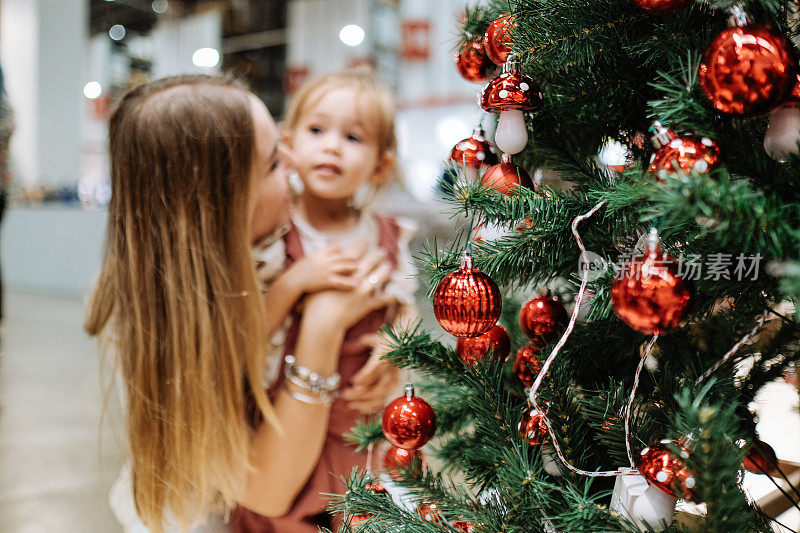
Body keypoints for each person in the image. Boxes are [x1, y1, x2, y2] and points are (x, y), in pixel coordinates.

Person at [85, 74, 395, 533]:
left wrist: (390, 346)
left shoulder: (281, 237)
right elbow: (268, 490)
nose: (296, 162)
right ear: (222, 208)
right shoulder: (172, 319)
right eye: (273, 163)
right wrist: (324, 325)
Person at [233, 70, 418, 532]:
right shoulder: (276, 230)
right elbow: (250, 327)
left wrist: (397, 341)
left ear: (379, 165)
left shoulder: (389, 233)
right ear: (288, 145)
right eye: (317, 131)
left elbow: (405, 303)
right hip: (286, 410)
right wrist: (296, 282)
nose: (332, 146)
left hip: (360, 412)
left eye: (353, 137)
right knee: (286, 511)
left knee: (357, 508)